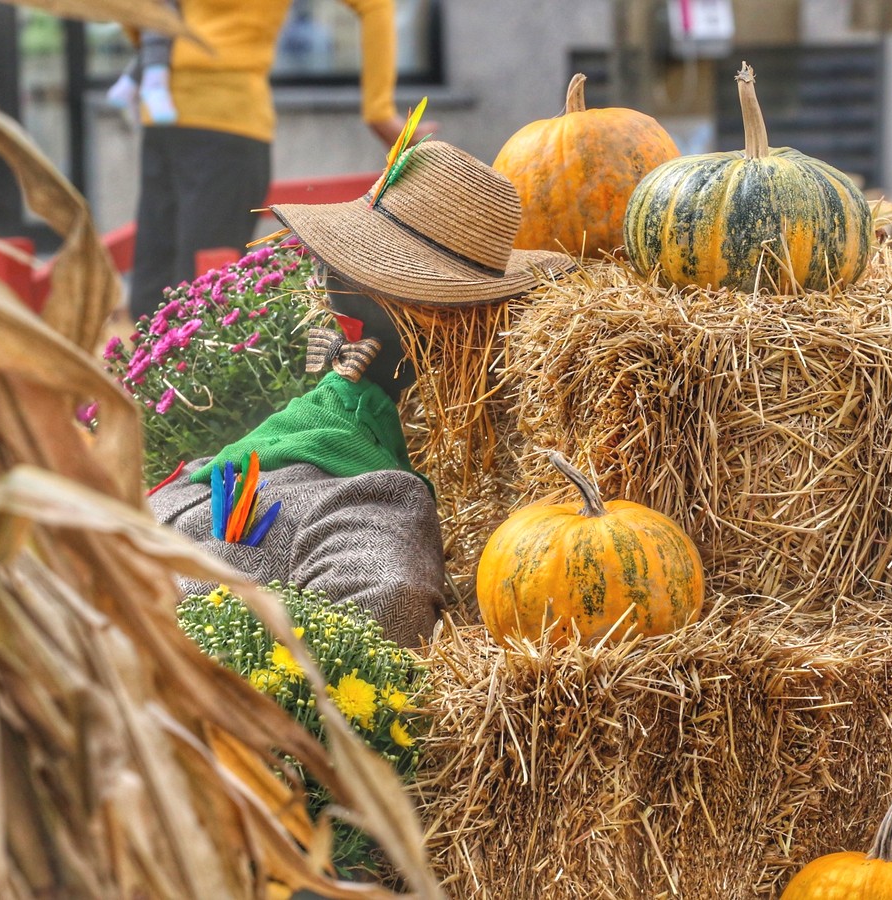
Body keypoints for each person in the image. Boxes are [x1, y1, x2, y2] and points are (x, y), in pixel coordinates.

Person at [149, 140, 577, 647]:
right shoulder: (373, 512)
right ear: (464, 336)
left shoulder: (205, 477)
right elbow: (380, 633)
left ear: (329, 288)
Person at [125, 0, 434, 323]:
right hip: (205, 123)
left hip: (188, 121)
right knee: (180, 299)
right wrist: (379, 113)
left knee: (175, 299)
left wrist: (380, 112)